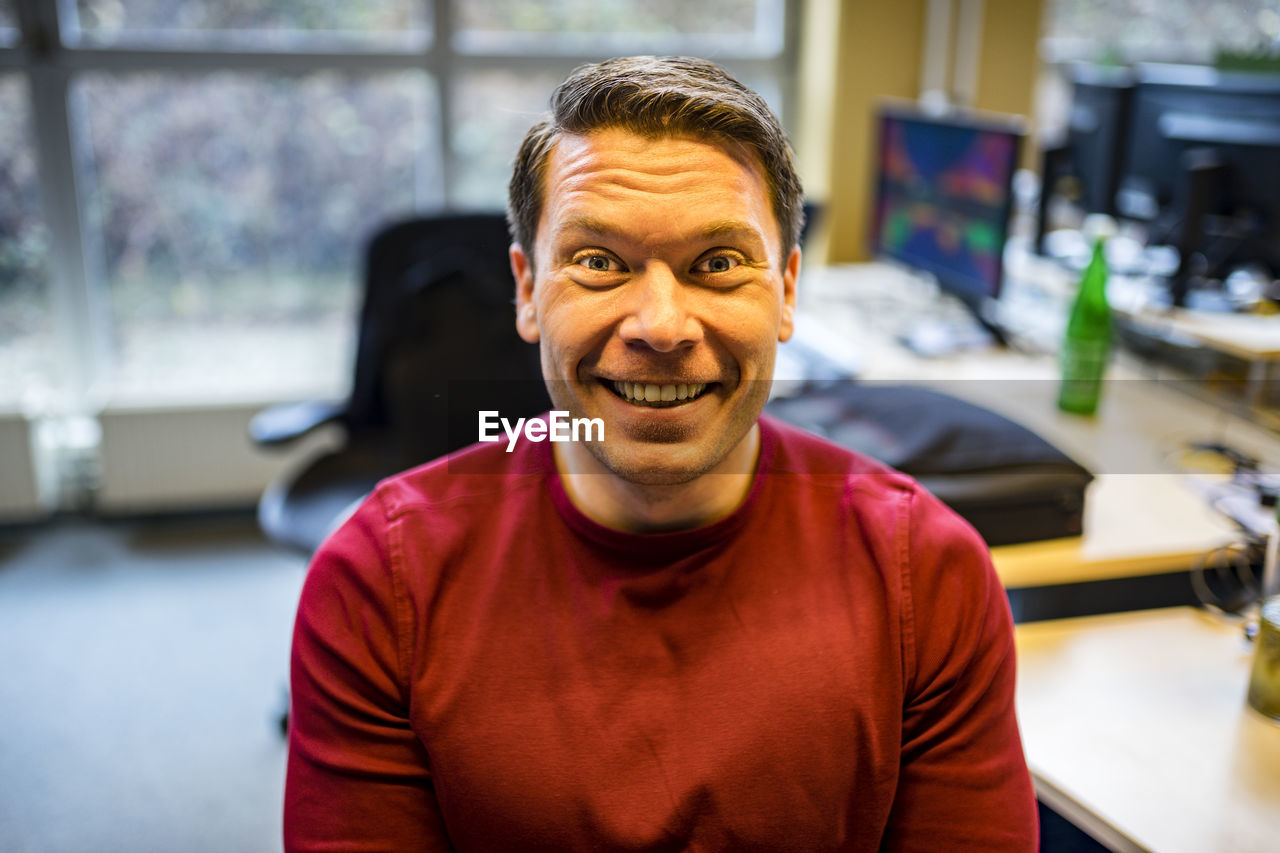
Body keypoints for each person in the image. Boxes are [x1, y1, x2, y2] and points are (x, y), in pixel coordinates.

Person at [284, 56, 1038, 851]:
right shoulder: (381, 579)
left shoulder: (929, 576)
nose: (662, 325)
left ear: (785, 292)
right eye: (599, 263)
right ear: (527, 291)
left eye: (717, 264)